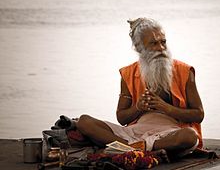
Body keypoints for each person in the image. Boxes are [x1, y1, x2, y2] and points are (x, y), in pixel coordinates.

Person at [76, 17, 204, 157]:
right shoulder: (128, 73)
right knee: (84, 122)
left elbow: (198, 114)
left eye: (163, 42)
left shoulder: (184, 71)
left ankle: (129, 148)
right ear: (139, 48)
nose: (161, 48)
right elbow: (122, 118)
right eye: (154, 43)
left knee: (190, 137)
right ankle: (136, 148)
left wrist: (165, 107)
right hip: (135, 132)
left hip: (170, 133)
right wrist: (138, 107)